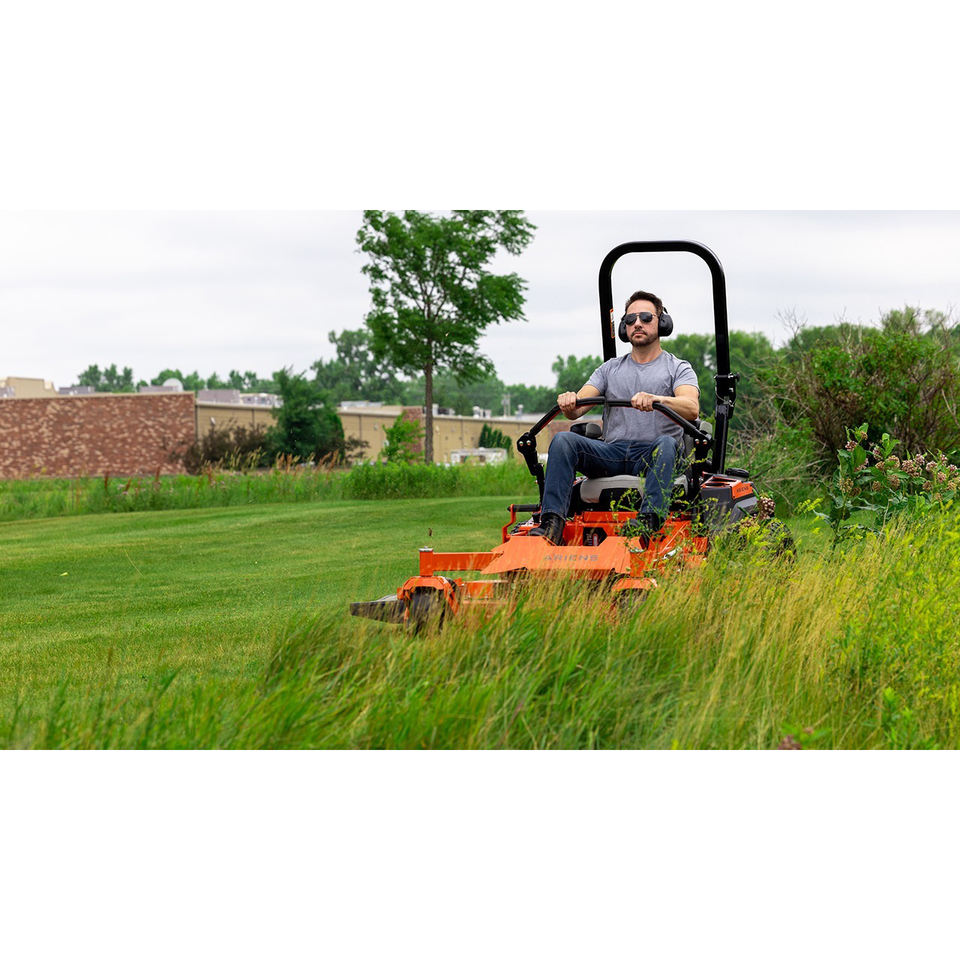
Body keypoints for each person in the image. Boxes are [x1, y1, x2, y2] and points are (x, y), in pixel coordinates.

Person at [528, 289, 700, 545]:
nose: (637, 323)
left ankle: (649, 522)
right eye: (630, 319)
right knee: (563, 440)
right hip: (612, 453)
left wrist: (657, 400)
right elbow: (578, 408)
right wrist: (569, 401)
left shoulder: (677, 368)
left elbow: (691, 407)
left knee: (666, 444)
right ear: (623, 327)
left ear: (662, 322)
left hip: (654, 454)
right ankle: (552, 524)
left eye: (645, 317)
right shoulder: (609, 369)